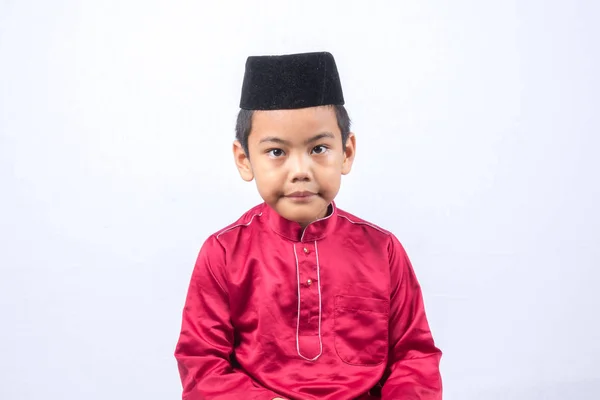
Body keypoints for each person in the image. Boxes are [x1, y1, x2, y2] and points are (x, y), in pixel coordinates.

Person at [174, 52, 442, 399]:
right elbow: (202, 366)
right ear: (244, 160)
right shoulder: (223, 253)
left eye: (318, 148)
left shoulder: (383, 250)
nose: (300, 170)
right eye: (276, 152)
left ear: (346, 152)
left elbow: (414, 358)